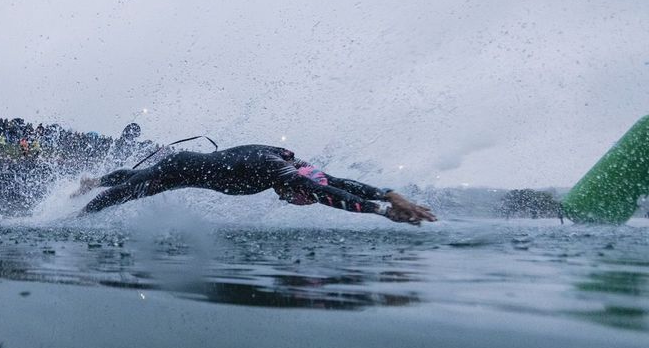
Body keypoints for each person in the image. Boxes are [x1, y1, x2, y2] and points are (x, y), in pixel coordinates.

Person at [73, 144, 437, 224]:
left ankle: (95, 181)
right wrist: (382, 211)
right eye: (301, 199)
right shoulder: (276, 169)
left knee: (135, 180)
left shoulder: (296, 167)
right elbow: (325, 191)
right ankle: (75, 218)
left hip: (188, 169)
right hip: (180, 167)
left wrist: (391, 194)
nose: (300, 201)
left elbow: (334, 182)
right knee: (127, 191)